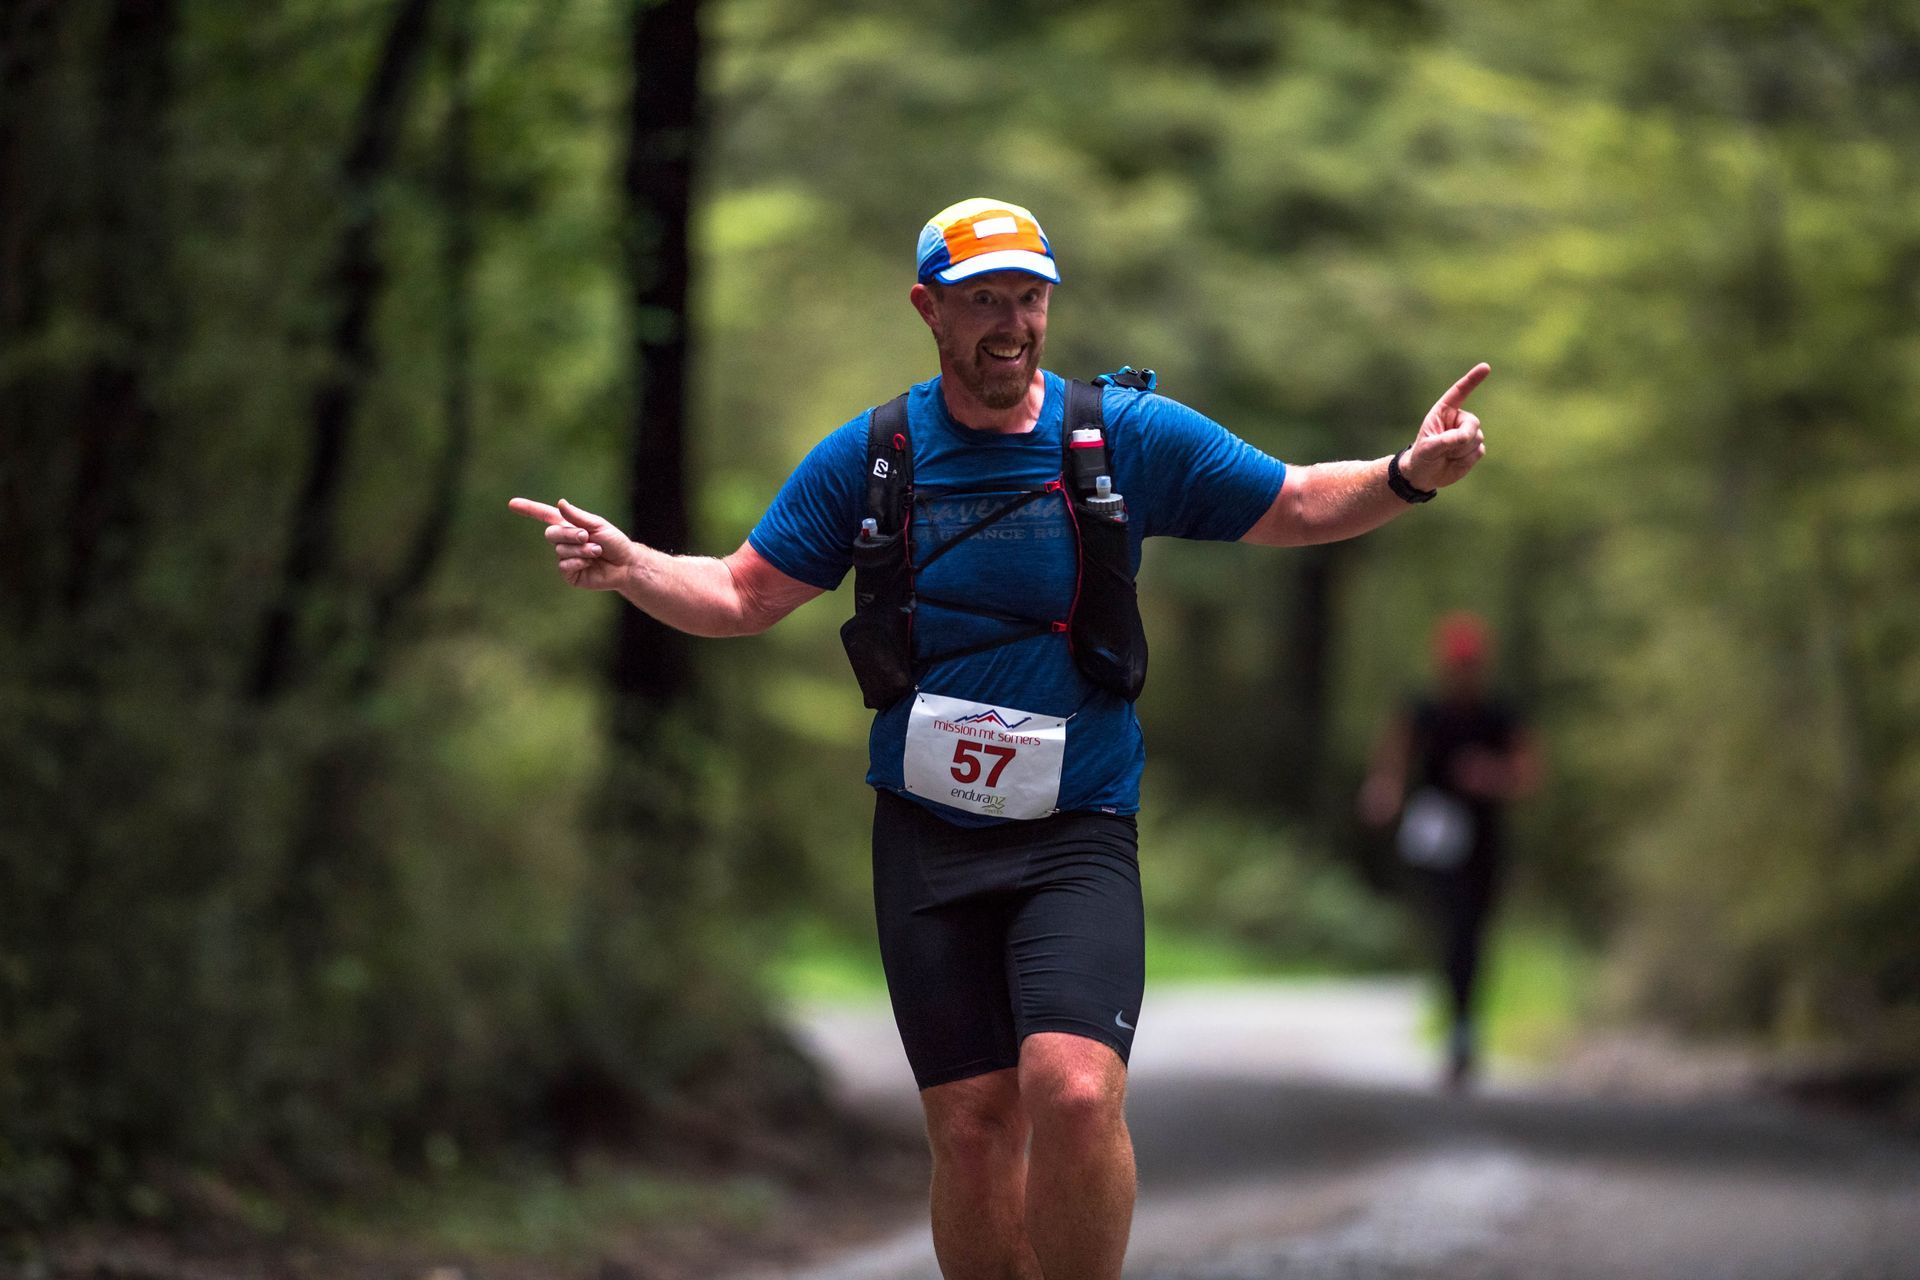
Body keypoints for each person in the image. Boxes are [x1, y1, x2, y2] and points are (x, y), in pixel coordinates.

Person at [512, 197, 1490, 1280]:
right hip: (928, 835)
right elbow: (744, 592)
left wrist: (1407, 475)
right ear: (928, 309)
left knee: (1072, 1088)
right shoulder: (872, 455)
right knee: (974, 1129)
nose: (1013, 325)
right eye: (984, 302)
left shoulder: (1121, 435)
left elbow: (1295, 503)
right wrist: (633, 564)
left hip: (1076, 825)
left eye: (1030, 298)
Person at [1359, 610, 1542, 1090]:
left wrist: (1491, 776)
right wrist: (1384, 790)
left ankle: (1463, 1030)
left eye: (1471, 664)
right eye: (1456, 664)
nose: (1463, 673)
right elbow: (1393, 756)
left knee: (1471, 934)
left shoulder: (1501, 715)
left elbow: (1527, 774)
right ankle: (1455, 1020)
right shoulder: (1423, 710)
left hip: (1483, 842)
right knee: (1448, 929)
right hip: (1435, 837)